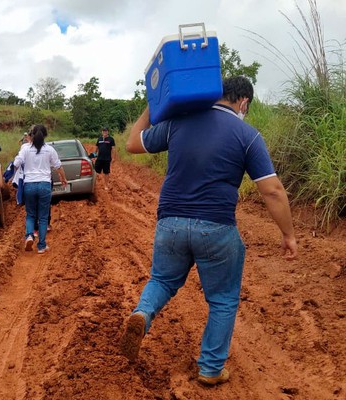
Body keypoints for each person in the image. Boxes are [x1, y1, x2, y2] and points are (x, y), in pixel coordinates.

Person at [120, 76, 298, 386]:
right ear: (243, 102)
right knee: (223, 299)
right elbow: (272, 190)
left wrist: (153, 106)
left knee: (162, 279)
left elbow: (133, 144)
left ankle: (143, 314)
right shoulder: (248, 135)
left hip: (170, 224)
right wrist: (288, 234)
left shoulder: (179, 122)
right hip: (215, 228)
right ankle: (211, 368)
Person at [13, 124, 67, 254]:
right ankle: (41, 246)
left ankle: (29, 235)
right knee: (43, 217)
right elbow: (58, 166)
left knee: (30, 214)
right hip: (44, 185)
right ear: (45, 135)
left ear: (31, 135)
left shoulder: (25, 149)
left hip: (29, 185)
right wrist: (63, 179)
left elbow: (16, 163)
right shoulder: (50, 150)